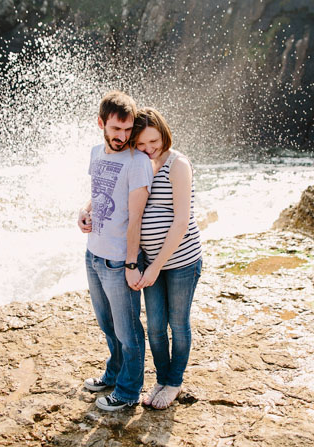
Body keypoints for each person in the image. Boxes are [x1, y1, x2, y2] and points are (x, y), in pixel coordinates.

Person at [77, 91, 153, 411]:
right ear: (101, 124)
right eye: (116, 129)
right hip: (93, 253)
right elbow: (100, 191)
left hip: (119, 259)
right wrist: (85, 210)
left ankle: (128, 390)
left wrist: (132, 263)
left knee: (128, 330)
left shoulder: (138, 163)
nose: (122, 136)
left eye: (128, 129)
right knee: (108, 325)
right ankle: (113, 373)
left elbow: (136, 217)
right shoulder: (96, 153)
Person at [131, 107, 203, 410]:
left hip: (181, 261)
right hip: (150, 261)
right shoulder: (140, 163)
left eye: (153, 141)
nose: (148, 148)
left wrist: (156, 267)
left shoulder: (178, 164)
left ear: (163, 133)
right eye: (141, 143)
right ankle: (161, 378)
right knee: (156, 325)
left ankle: (174, 382)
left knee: (177, 322)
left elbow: (181, 221)